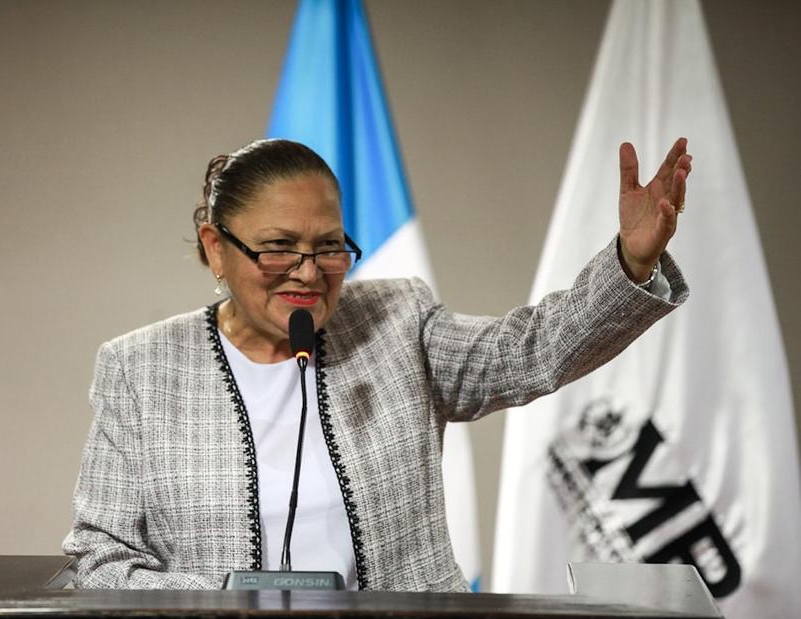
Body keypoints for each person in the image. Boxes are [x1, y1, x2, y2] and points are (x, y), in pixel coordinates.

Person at [62, 137, 692, 591]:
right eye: (279, 248)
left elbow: (529, 352)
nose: (308, 273)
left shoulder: (395, 320)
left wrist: (630, 265)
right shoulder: (140, 370)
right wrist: (230, 605)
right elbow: (100, 559)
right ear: (215, 248)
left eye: (330, 248)